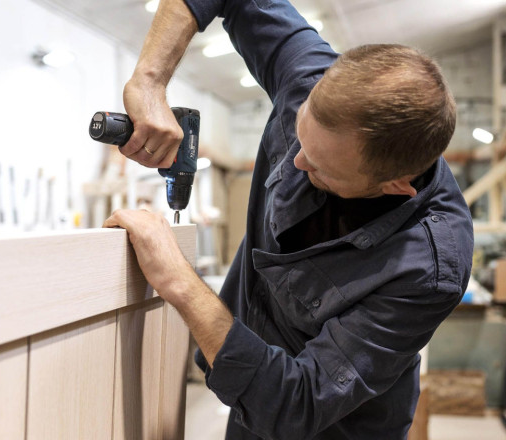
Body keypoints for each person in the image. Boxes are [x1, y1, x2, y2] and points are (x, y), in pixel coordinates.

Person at [104, 0, 474, 438]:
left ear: (395, 186)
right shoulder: (307, 78)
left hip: (330, 425)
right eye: (299, 136)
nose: (296, 161)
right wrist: (149, 80)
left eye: (320, 169)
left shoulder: (429, 267)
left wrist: (179, 280)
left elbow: (296, 404)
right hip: (246, 393)